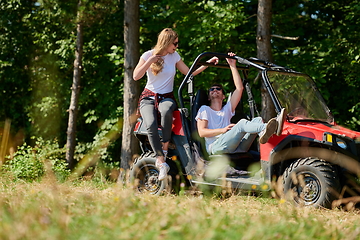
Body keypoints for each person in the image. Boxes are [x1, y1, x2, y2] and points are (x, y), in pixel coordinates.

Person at [133, 28, 218, 181]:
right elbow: (136, 76)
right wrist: (150, 62)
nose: (177, 46)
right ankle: (160, 160)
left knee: (166, 111)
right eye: (175, 43)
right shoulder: (147, 55)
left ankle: (164, 150)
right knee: (150, 122)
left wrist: (207, 64)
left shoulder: (174, 56)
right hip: (148, 97)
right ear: (166, 42)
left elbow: (189, 73)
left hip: (166, 97)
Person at [196, 52, 286, 156]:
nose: (215, 90)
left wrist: (232, 65)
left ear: (223, 96)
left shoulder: (227, 109)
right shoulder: (204, 109)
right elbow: (202, 132)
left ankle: (268, 137)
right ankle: (269, 128)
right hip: (216, 146)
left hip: (236, 146)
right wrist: (223, 130)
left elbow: (239, 89)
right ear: (208, 97)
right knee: (242, 123)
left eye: (218, 89)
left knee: (257, 120)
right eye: (212, 89)